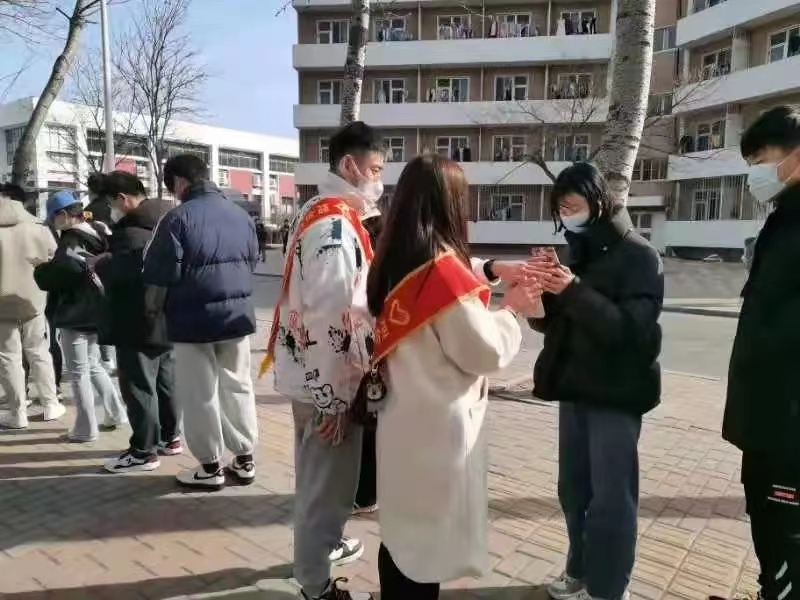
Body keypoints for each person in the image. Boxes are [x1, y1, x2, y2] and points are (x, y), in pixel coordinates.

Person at [366, 155, 541, 599]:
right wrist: (512, 311)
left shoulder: (393, 259)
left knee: (401, 533)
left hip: (401, 419)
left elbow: (452, 276)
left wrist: (491, 268)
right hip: (438, 430)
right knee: (426, 549)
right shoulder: (441, 271)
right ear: (451, 203)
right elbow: (485, 351)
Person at [262, 121, 387, 600]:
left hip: (312, 377)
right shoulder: (334, 229)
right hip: (328, 384)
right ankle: (315, 584)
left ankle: (318, 555)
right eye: (375, 169)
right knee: (327, 489)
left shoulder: (318, 212)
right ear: (350, 166)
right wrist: (334, 400)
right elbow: (330, 320)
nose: (379, 180)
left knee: (318, 481)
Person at [527, 163, 663, 600]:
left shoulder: (640, 255)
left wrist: (573, 291)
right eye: (560, 210)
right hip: (575, 388)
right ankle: (579, 569)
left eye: (573, 206)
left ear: (598, 201)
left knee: (611, 496)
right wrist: (539, 301)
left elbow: (632, 332)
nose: (566, 216)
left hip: (616, 393)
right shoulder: (576, 252)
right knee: (573, 490)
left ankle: (608, 588)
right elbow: (560, 324)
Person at [715, 105, 800, 600]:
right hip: (768, 418)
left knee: (787, 535)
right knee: (767, 519)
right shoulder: (783, 219)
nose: (755, 174)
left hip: (790, 423)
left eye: (762, 160)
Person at [142, 154, 259, 490]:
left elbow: (158, 274)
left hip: (192, 320)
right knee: (238, 385)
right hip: (236, 317)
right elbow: (251, 260)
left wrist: (153, 313)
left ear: (180, 181)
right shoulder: (240, 215)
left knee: (200, 393)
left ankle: (209, 466)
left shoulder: (176, 219)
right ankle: (245, 458)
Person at [89, 172, 182, 473]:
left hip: (136, 319)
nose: (110, 211)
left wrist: (101, 264)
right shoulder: (169, 221)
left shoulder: (130, 234)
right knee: (165, 382)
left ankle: (143, 451)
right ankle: (170, 437)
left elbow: (125, 278)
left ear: (122, 199)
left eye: (110, 204)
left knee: (139, 387)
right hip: (167, 317)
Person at [34, 190, 128, 442]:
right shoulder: (97, 230)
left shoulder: (70, 242)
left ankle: (86, 428)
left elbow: (61, 276)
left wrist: (41, 269)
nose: (53, 223)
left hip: (75, 313)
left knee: (78, 372)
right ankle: (116, 413)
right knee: (93, 365)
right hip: (98, 310)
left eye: (53, 218)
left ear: (64, 215)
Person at [0, 184, 66, 429]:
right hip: (34, 299)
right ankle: (50, 404)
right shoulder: (38, 226)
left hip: (1, 302)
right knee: (38, 350)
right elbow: (54, 259)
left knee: (8, 357)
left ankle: (17, 413)